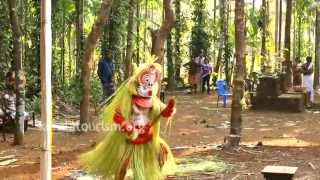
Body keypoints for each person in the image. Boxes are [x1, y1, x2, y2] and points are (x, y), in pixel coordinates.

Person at [81, 63, 176, 179]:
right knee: (123, 165)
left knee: (162, 152)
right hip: (129, 137)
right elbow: (118, 115)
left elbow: (163, 111)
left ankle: (156, 175)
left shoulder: (153, 100)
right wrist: (126, 124)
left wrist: (170, 108)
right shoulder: (128, 99)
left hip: (147, 135)